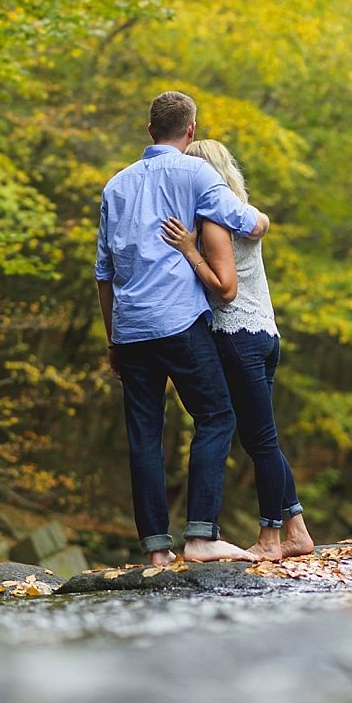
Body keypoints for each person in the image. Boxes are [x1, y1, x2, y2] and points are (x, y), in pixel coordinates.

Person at [95, 91, 271, 566]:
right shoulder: (197, 172)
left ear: (150, 130)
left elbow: (104, 273)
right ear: (190, 131)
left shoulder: (115, 186)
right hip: (179, 323)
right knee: (216, 417)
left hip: (130, 331)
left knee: (144, 436)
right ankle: (200, 536)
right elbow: (246, 224)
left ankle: (155, 548)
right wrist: (264, 219)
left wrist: (113, 340)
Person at [159, 138, 314, 562]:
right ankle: (297, 529)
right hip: (265, 334)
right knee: (261, 436)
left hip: (236, 335)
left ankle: (270, 537)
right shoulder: (241, 211)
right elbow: (261, 223)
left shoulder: (212, 218)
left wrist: (189, 252)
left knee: (260, 440)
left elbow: (223, 290)